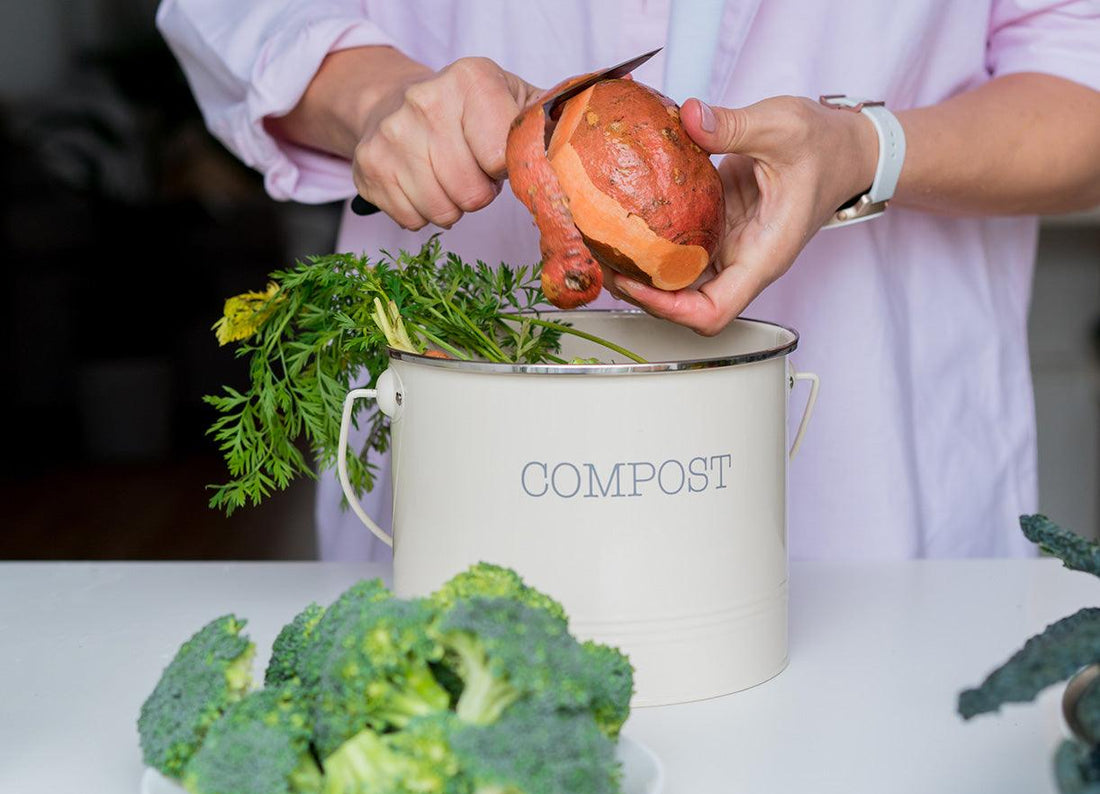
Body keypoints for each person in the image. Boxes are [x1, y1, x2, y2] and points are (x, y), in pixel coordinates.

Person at [157, 0, 1100, 561]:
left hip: (865, 477)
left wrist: (865, 148)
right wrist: (376, 97)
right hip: (468, 436)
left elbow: (1078, 73)